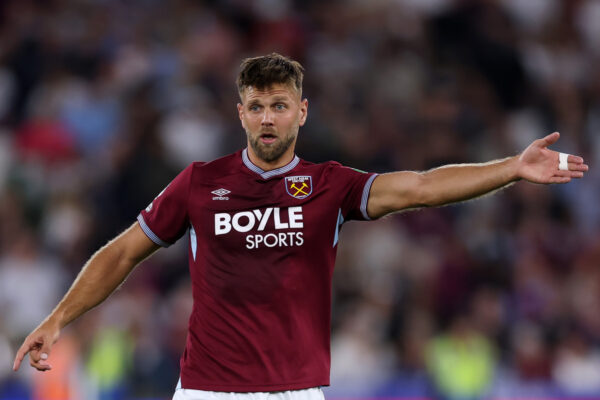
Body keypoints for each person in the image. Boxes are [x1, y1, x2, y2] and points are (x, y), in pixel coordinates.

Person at [13, 53, 588, 400]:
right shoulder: (199, 183)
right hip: (208, 390)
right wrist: (58, 319)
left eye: (280, 105)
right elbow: (122, 252)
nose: (268, 118)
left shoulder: (330, 185)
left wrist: (512, 168)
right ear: (241, 113)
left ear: (302, 111)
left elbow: (420, 186)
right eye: (257, 106)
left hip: (296, 391)